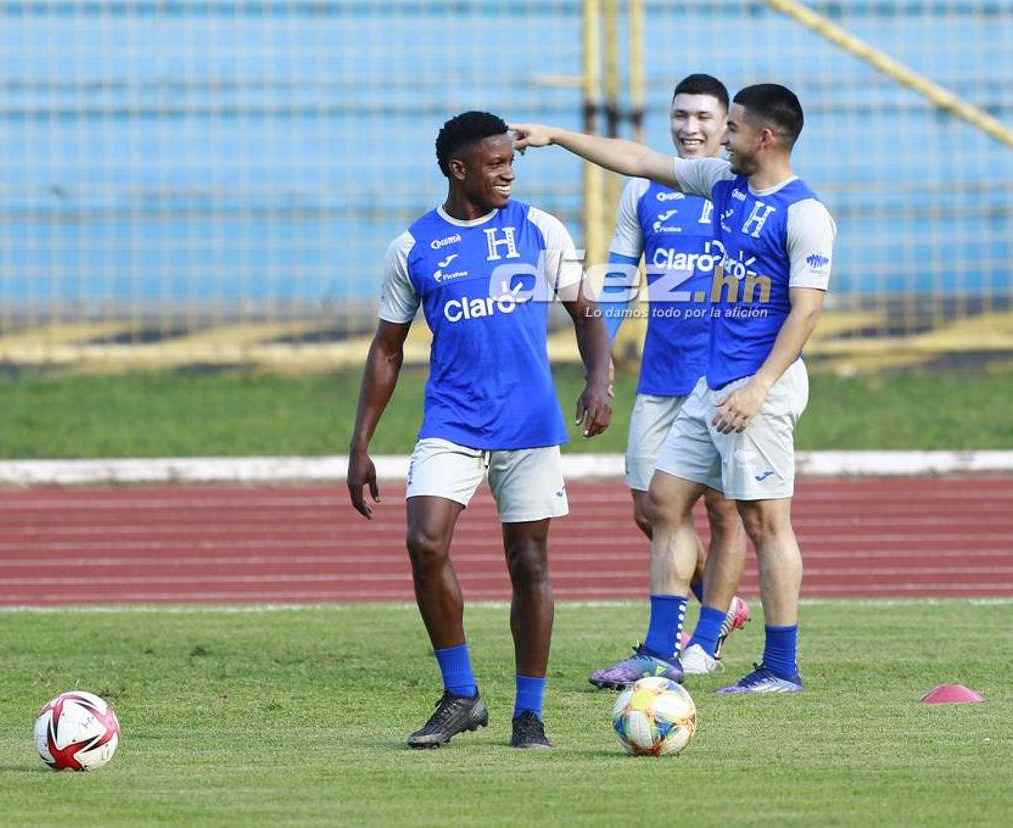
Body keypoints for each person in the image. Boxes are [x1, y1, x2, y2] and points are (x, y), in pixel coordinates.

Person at [512, 83, 836, 693]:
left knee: (765, 523)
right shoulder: (724, 183)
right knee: (663, 501)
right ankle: (661, 653)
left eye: (733, 128)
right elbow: (638, 160)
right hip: (710, 384)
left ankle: (780, 668)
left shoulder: (805, 213)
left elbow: (806, 313)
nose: (721, 136)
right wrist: (556, 137)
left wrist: (759, 388)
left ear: (765, 138)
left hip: (756, 389)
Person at [347, 110, 612, 749]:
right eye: (496, 165)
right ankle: (461, 694)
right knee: (424, 541)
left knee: (528, 563)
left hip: (528, 423)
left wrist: (599, 379)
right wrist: (361, 443)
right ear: (458, 169)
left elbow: (587, 311)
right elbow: (387, 349)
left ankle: (529, 714)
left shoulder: (539, 229)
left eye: (511, 162)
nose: (509, 174)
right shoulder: (413, 247)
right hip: (452, 420)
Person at [588, 74, 749, 690]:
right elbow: (620, 276)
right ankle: (721, 601)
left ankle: (700, 639)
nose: (690, 127)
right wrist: (599, 361)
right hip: (661, 376)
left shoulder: (741, 191)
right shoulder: (643, 190)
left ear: (726, 123)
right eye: (681, 115)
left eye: (704, 118)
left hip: (722, 380)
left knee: (723, 507)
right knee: (650, 508)